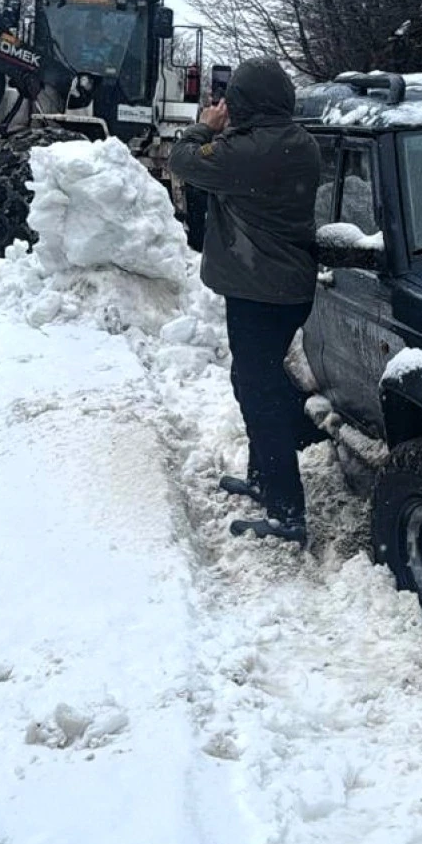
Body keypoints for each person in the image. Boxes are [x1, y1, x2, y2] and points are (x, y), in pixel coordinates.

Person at [169, 57, 322, 546]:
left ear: (244, 104)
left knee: (260, 395)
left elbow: (182, 161)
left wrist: (203, 126)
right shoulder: (301, 141)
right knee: (258, 380)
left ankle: (286, 512)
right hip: (285, 288)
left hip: (259, 292)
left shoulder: (245, 151)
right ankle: (263, 478)